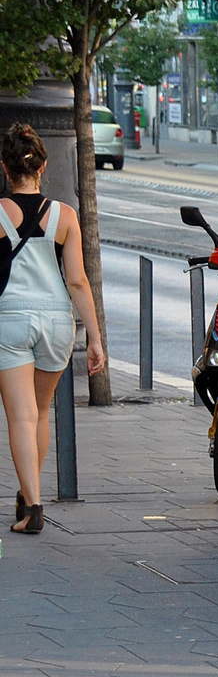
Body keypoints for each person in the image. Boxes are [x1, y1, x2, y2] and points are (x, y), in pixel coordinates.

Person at [0, 124, 107, 535]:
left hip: (9, 320)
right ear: (42, 166)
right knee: (40, 411)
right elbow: (78, 281)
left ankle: (34, 506)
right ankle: (28, 494)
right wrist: (94, 337)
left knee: (20, 417)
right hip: (57, 322)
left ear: (5, 170)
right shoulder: (65, 216)